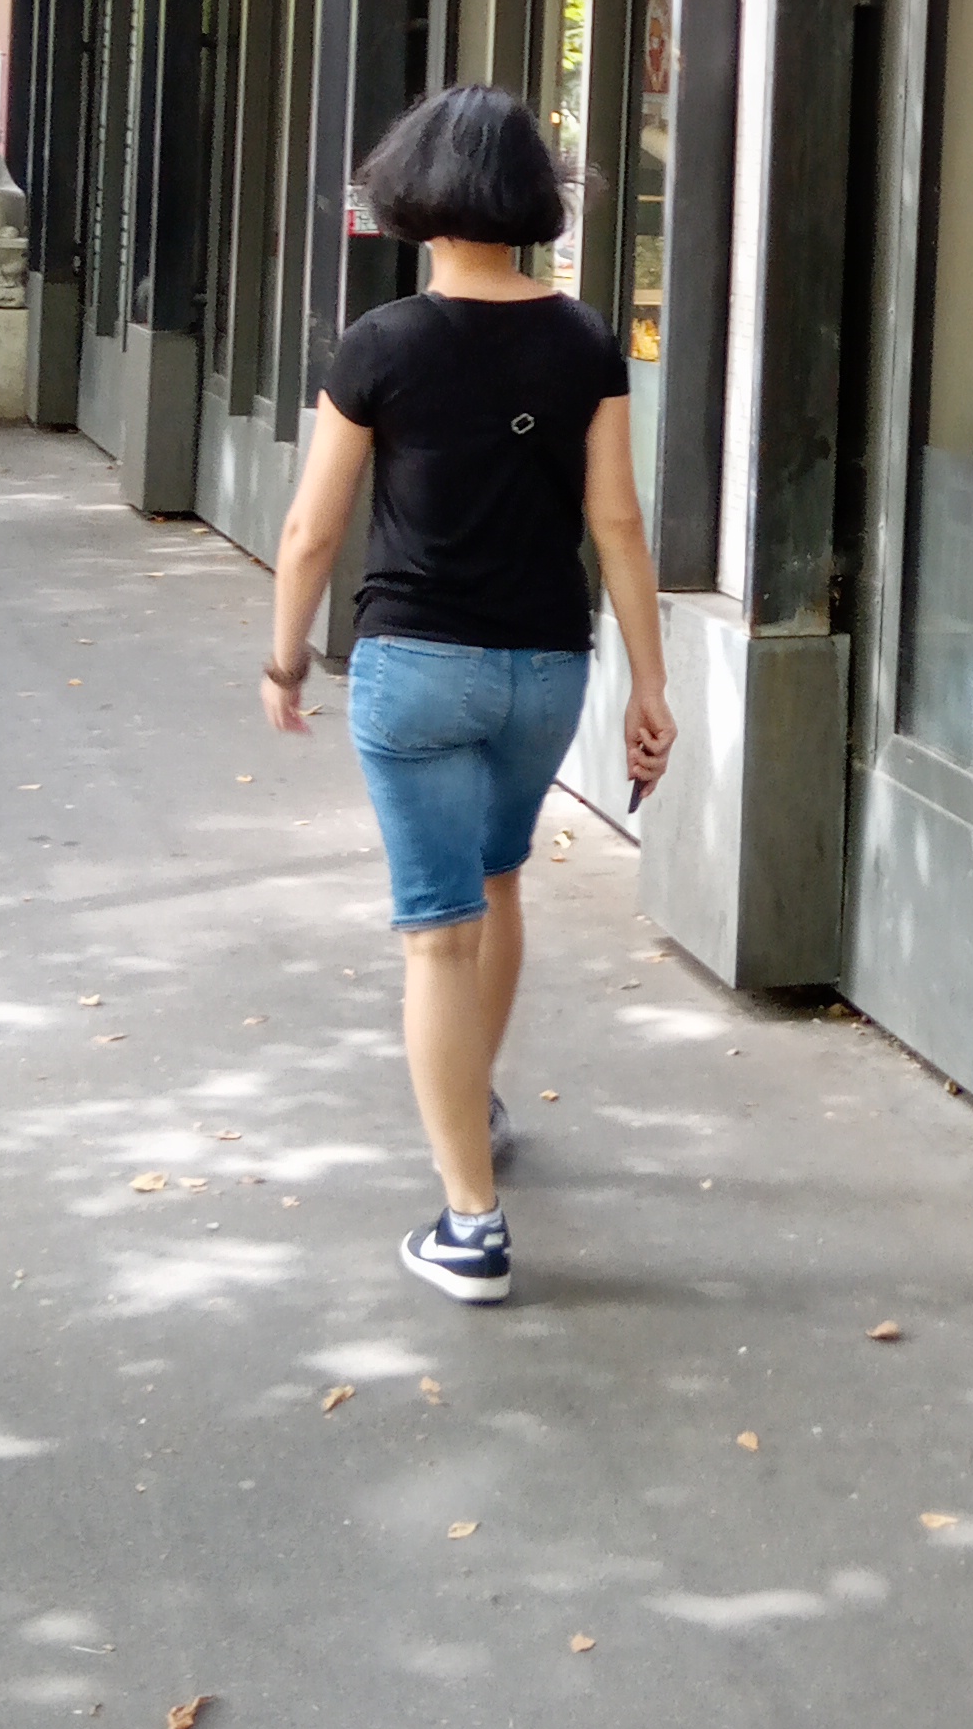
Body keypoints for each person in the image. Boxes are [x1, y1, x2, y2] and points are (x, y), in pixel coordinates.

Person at [261, 86, 673, 1308]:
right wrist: (651, 681)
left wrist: (284, 657)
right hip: (547, 667)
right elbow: (618, 522)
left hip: (417, 667)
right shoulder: (584, 339)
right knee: (496, 884)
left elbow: (312, 526)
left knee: (436, 930)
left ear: (416, 195)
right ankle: (475, 1101)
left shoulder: (381, 342)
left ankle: (472, 1224)